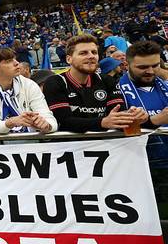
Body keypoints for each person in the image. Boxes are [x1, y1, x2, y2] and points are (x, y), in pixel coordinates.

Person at [42, 34, 146, 132]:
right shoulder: (56, 82)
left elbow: (118, 115)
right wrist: (102, 122)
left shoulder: (107, 81)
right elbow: (63, 122)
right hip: (69, 144)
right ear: (69, 59)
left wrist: (133, 116)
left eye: (94, 52)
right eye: (83, 53)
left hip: (106, 143)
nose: (91, 56)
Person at [0, 48, 57, 134]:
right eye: (8, 61)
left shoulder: (29, 85)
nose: (16, 63)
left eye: (15, 59)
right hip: (1, 141)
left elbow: (50, 119)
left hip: (31, 139)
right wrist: (12, 122)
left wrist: (46, 125)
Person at [118, 41, 168, 169]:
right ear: (126, 64)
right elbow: (114, 127)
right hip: (143, 164)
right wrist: (156, 120)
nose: (150, 71)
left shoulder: (165, 85)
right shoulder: (116, 90)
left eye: (155, 65)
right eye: (142, 67)